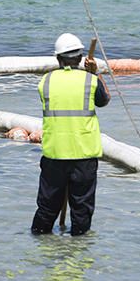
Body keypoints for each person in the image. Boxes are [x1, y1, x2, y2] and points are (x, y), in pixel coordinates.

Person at [31, 33, 110, 236]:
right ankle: (78, 251)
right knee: (81, 211)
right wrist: (95, 73)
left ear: (58, 58)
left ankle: (41, 246)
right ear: (81, 57)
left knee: (47, 209)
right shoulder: (90, 81)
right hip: (84, 156)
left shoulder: (45, 82)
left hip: (54, 154)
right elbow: (104, 100)